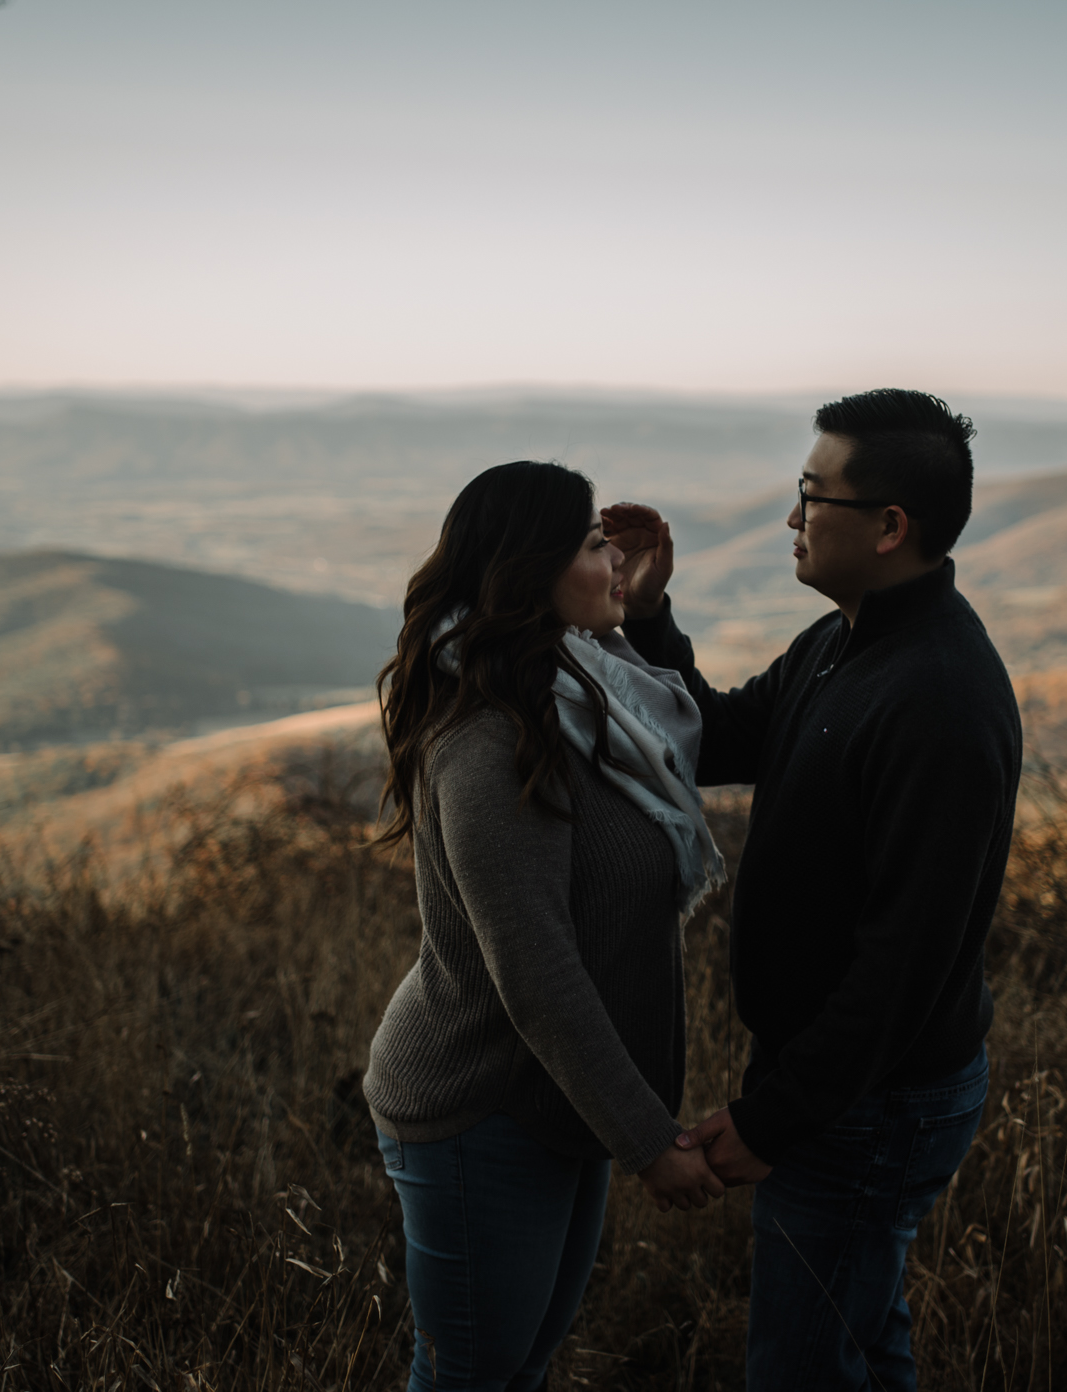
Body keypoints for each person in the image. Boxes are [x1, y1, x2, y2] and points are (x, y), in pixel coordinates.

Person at [603, 389, 1021, 1392]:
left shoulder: (940, 700)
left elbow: (902, 967)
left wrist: (773, 1119)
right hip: (845, 1091)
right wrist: (649, 614)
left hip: (871, 1105)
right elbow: (710, 740)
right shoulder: (841, 644)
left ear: (889, 526)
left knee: (803, 1367)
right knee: (861, 1345)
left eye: (810, 495)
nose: (790, 518)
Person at [363, 459, 728, 1392]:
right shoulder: (491, 736)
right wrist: (647, 1142)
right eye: (593, 544)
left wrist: (638, 607)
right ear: (530, 569)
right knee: (472, 1378)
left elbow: (679, 737)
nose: (614, 557)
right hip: (480, 1105)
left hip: (553, 1102)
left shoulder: (574, 689)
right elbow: (535, 969)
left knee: (516, 1367)